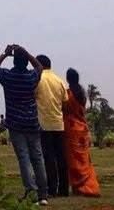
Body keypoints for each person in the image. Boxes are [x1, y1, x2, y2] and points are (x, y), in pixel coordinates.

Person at [0, 44, 48, 206]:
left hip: (16, 124)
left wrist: (5, 53)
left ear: (14, 62)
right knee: (38, 158)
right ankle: (43, 194)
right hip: (32, 123)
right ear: (26, 63)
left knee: (24, 159)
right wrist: (26, 52)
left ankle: (31, 192)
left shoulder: (8, 77)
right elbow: (39, 66)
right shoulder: (31, 77)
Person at [35, 54, 69, 197]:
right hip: (58, 124)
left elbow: (33, 96)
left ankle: (51, 188)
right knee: (61, 157)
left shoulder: (37, 79)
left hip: (43, 124)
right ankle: (64, 189)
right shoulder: (59, 80)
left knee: (48, 158)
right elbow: (65, 100)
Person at [63, 68, 100, 197]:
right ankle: (89, 185)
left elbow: (64, 108)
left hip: (71, 130)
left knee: (73, 160)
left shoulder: (68, 94)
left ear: (68, 79)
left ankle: (79, 186)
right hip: (82, 129)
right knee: (84, 159)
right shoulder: (82, 94)